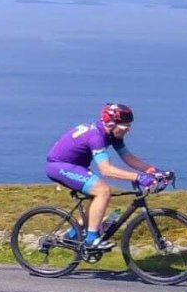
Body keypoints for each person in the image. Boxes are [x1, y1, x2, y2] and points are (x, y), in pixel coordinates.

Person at [45, 102, 166, 250]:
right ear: (111, 124)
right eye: (125, 127)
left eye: (129, 127)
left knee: (98, 195)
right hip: (59, 166)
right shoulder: (96, 136)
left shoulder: (113, 134)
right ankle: (91, 239)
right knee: (103, 191)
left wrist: (153, 171)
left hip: (77, 166)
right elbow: (106, 170)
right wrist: (139, 178)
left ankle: (71, 236)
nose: (128, 131)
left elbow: (128, 157)